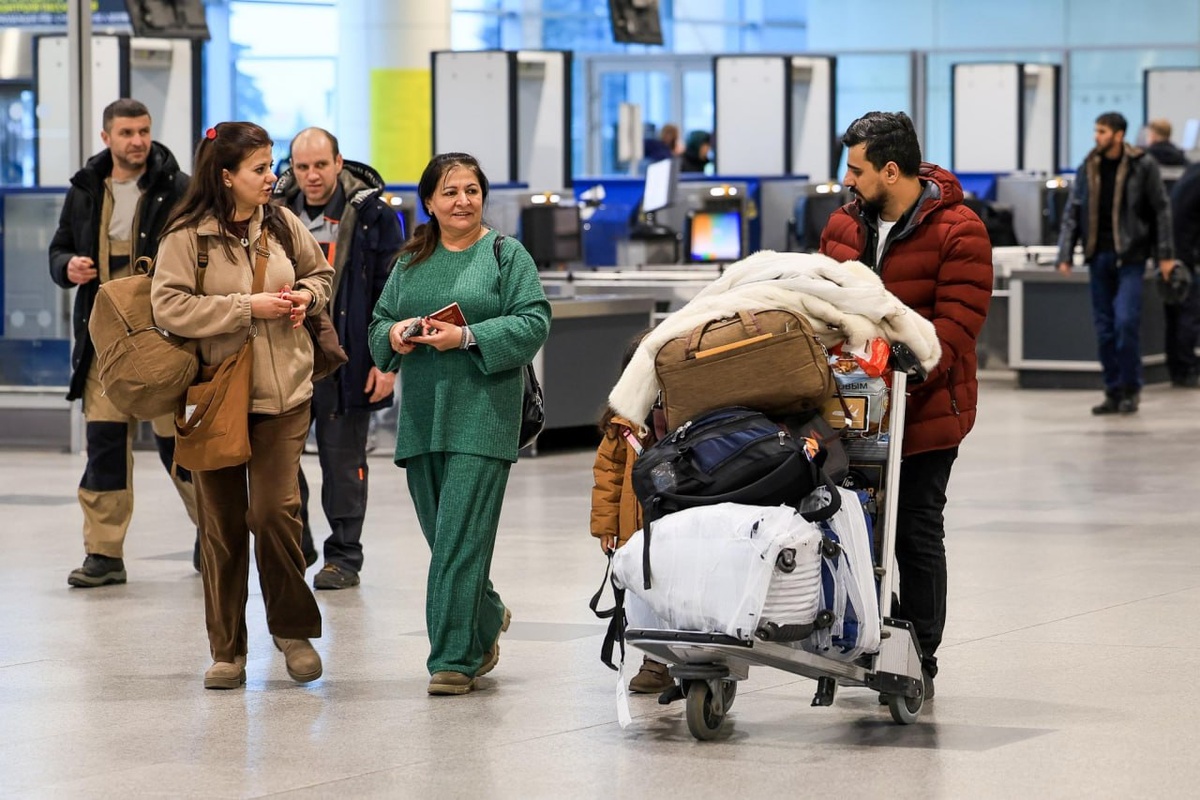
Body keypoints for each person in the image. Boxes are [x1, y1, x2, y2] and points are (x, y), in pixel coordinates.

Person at [151, 121, 334, 690]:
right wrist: (245, 307)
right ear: (226, 176)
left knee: (274, 512)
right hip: (215, 398)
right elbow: (167, 306)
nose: (272, 177)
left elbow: (320, 274)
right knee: (222, 525)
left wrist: (305, 297)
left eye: (271, 164)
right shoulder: (187, 236)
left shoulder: (281, 222)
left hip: (285, 395)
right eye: (260, 168)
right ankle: (227, 650)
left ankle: (292, 631)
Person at [819, 111, 993, 699]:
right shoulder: (843, 226)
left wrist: (904, 366)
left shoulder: (959, 230)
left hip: (927, 409)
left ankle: (919, 656)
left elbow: (958, 325)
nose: (847, 180)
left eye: (856, 169)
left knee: (914, 527)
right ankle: (866, 635)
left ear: (890, 171)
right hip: (851, 409)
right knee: (852, 526)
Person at [368, 152, 550, 696]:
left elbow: (534, 321)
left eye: (471, 190)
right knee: (445, 540)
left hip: (485, 417)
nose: (462, 201)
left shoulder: (505, 255)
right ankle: (487, 613)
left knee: (458, 542)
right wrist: (395, 334)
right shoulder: (411, 262)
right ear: (429, 202)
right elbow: (378, 326)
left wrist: (467, 337)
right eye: (450, 192)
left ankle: (452, 660)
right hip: (423, 418)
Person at [48, 98, 200, 588]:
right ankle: (104, 553)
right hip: (103, 343)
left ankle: (214, 534)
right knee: (105, 448)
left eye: (143, 131)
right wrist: (68, 266)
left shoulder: (177, 188)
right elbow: (59, 248)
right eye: (127, 133)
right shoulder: (85, 188)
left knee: (180, 448)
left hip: (164, 339)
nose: (137, 141)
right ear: (106, 137)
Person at [273, 127, 404, 590]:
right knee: (279, 460)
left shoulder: (373, 216)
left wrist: (385, 362)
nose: (311, 175)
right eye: (302, 166)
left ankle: (344, 557)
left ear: (338, 163)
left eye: (320, 165)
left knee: (343, 463)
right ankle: (299, 543)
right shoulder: (273, 212)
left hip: (345, 359)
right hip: (284, 357)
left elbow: (391, 294)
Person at [1056, 111, 1175, 415]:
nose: (1096, 136)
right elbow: (1073, 212)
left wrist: (1165, 256)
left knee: (1125, 323)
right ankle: (1112, 390)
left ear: (1119, 135)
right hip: (1098, 257)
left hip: (1130, 257)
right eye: (1096, 130)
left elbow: (1161, 210)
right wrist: (1065, 254)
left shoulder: (1142, 165)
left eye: (1102, 131)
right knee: (1105, 329)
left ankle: (1131, 388)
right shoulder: (1088, 166)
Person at [590, 333, 671, 694]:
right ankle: (654, 661)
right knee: (641, 593)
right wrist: (606, 527)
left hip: (673, 525)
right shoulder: (621, 424)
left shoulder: (686, 415)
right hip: (633, 530)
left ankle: (686, 656)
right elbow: (607, 477)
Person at [1167, 161, 1200, 387]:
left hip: (1173, 254)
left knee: (1176, 314)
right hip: (1186, 256)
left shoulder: (1192, 172)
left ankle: (1178, 368)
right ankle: (1187, 368)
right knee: (1189, 314)